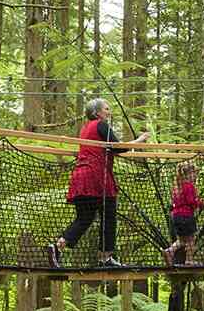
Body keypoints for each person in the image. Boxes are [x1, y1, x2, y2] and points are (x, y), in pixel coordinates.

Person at [49, 98, 150, 267]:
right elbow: (119, 147)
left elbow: (111, 147)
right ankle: (105, 257)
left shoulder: (85, 129)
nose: (109, 112)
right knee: (109, 216)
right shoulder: (100, 125)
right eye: (106, 109)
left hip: (81, 176)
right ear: (97, 113)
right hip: (97, 178)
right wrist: (140, 140)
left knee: (84, 218)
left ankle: (58, 246)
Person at [162, 161, 202, 266]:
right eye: (194, 173)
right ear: (188, 174)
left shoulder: (177, 187)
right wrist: (201, 203)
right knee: (191, 240)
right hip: (186, 216)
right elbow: (191, 202)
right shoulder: (189, 186)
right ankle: (189, 260)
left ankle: (170, 251)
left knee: (182, 240)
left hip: (176, 217)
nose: (196, 176)